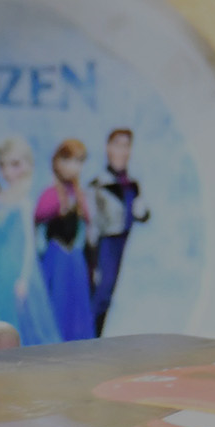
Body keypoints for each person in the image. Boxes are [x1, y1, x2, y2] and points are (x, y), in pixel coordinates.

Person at [0, 133, 61, 347]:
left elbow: (30, 245)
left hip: (12, 269)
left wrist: (24, 278)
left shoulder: (24, 202)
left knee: (12, 319)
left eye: (14, 164)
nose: (7, 171)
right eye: (3, 165)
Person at [85, 128, 148, 336]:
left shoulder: (132, 185)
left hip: (125, 245)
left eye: (126, 146)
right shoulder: (98, 185)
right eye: (118, 145)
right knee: (100, 296)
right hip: (104, 246)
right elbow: (91, 225)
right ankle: (90, 339)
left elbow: (141, 213)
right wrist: (93, 259)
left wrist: (142, 212)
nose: (122, 151)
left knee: (113, 297)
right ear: (108, 148)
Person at [34, 138, 95, 343]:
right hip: (55, 258)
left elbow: (87, 228)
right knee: (56, 304)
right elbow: (37, 224)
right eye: (67, 160)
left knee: (77, 309)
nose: (73, 166)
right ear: (57, 162)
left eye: (78, 161)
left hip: (75, 260)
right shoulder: (50, 195)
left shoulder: (80, 195)